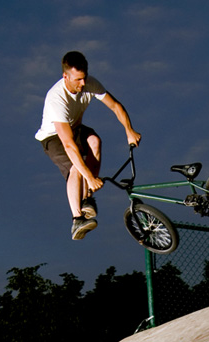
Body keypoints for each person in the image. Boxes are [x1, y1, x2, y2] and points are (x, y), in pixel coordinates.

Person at [35, 51, 141, 240]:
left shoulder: (89, 83)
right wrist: (89, 177)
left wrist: (129, 130)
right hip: (54, 138)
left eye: (84, 78)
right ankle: (77, 219)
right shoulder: (55, 99)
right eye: (78, 80)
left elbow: (115, 106)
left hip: (75, 128)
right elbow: (68, 144)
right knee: (77, 165)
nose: (82, 84)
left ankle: (87, 199)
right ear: (65, 76)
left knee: (94, 141)